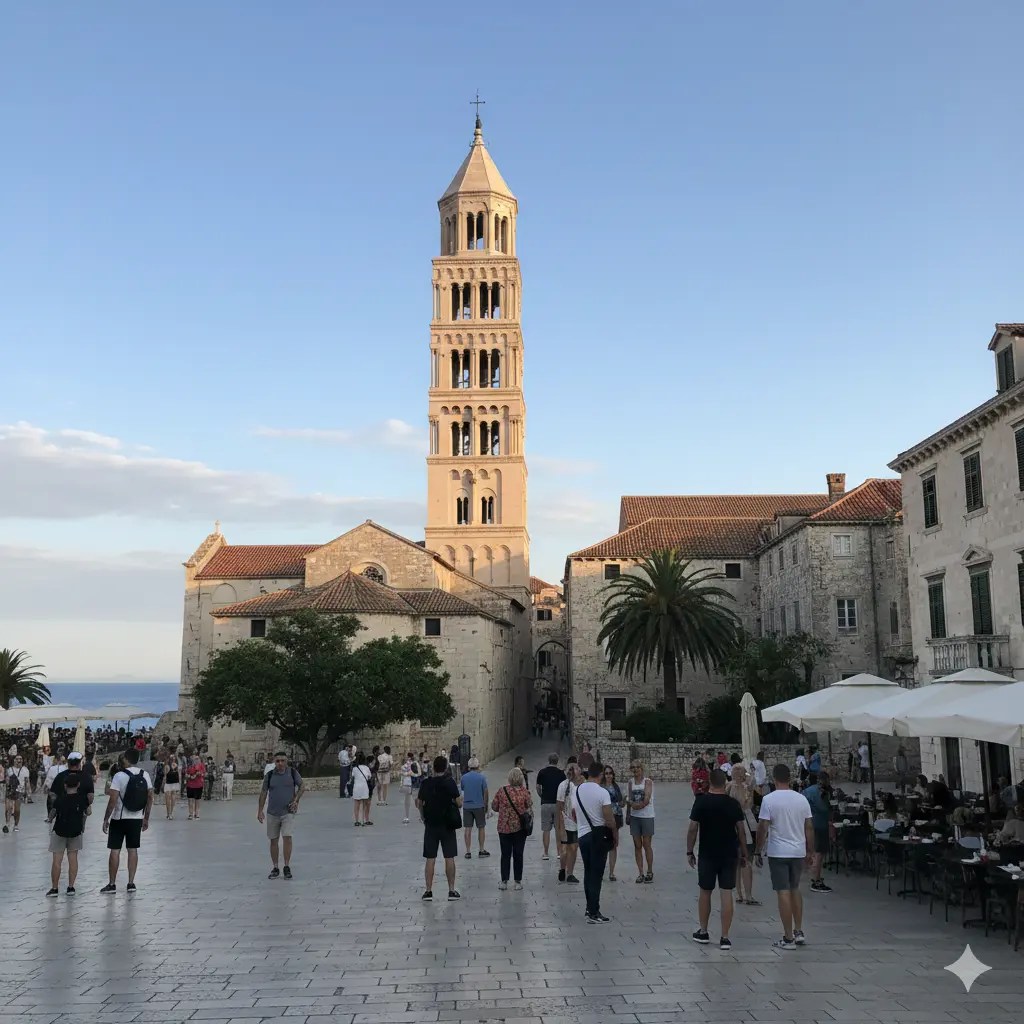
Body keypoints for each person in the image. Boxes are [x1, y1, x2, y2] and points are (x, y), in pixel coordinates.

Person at [755, 764, 814, 949]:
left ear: (774, 778)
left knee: (783, 892)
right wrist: (810, 851)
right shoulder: (801, 799)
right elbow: (809, 827)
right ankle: (798, 930)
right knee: (795, 888)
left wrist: (758, 849)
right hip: (798, 851)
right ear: (790, 778)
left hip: (778, 852)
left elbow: (763, 827)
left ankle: (787, 937)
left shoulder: (769, 800)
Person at [688, 768, 747, 949]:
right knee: (726, 893)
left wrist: (689, 851)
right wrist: (744, 852)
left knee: (705, 892)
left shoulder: (701, 802)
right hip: (729, 853)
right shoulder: (733, 804)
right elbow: (741, 830)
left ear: (709, 782)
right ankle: (725, 937)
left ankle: (704, 931)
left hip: (707, 853)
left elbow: (692, 828)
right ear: (725, 782)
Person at [100, 748, 153, 894]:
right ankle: (131, 883)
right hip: (136, 818)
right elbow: (150, 797)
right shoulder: (145, 775)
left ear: (126, 759)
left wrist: (106, 818)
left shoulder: (119, 776)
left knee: (115, 850)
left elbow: (113, 799)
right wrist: (146, 818)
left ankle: (112, 884)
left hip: (119, 817)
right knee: (133, 850)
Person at [574, 761, 617, 923]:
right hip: (598, 836)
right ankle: (594, 912)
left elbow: (573, 813)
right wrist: (614, 835)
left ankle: (588, 908)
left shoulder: (578, 790)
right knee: (597, 874)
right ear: (600, 775)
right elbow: (609, 818)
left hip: (583, 835)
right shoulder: (602, 793)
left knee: (588, 871)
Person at [416, 755, 462, 901]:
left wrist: (423, 816)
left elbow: (419, 802)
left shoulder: (426, 783)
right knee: (449, 856)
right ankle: (451, 890)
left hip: (431, 824)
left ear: (433, 767)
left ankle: (428, 891)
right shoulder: (450, 783)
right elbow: (459, 803)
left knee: (430, 858)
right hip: (447, 824)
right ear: (446, 767)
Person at [45, 757, 91, 897]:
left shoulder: (60, 799)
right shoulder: (82, 799)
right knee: (73, 859)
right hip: (76, 831)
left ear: (65, 786)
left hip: (60, 831)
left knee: (57, 860)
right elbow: (87, 812)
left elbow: (53, 812)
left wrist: (50, 819)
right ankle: (71, 887)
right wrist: (83, 825)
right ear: (78, 785)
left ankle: (54, 888)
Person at [257, 751, 304, 879]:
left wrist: (296, 800)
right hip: (272, 812)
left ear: (286, 761)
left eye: (282, 760)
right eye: (277, 761)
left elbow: (302, 786)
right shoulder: (270, 775)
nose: (280, 763)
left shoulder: (293, 773)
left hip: (288, 812)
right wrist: (260, 810)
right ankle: (275, 866)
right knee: (273, 840)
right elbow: (263, 792)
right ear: (274, 762)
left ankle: (287, 866)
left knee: (287, 837)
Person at [492, 766, 533, 890]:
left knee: (505, 854)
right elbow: (529, 806)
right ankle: (517, 881)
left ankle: (504, 881)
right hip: (520, 828)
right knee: (518, 854)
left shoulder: (502, 791)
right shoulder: (524, 792)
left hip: (504, 827)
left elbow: (494, 806)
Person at [726, 764, 760, 906]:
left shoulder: (728, 787)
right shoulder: (747, 788)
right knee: (747, 860)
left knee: (736, 862)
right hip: (747, 824)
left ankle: (739, 894)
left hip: (730, 824)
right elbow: (750, 804)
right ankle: (749, 895)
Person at [802, 771, 834, 894]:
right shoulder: (820, 792)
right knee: (819, 854)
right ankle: (816, 881)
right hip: (819, 824)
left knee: (814, 851)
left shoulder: (807, 791)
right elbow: (823, 808)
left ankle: (815, 876)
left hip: (809, 824)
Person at [627, 760, 655, 883]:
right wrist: (628, 813)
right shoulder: (630, 782)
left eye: (638, 767)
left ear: (642, 768)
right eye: (633, 767)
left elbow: (647, 798)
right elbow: (629, 797)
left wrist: (636, 806)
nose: (636, 769)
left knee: (646, 844)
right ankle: (640, 872)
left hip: (647, 816)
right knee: (637, 845)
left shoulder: (647, 782)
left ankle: (649, 870)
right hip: (635, 817)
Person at [535, 753, 566, 862]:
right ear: (557, 761)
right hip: (557, 803)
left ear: (549, 760)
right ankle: (559, 852)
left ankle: (546, 853)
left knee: (546, 829)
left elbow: (538, 787)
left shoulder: (542, 772)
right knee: (558, 829)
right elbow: (564, 789)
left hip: (545, 803)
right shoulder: (561, 774)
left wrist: (542, 796)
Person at [460, 756, 490, 858]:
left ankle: (468, 851)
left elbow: (463, 790)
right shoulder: (481, 778)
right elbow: (485, 792)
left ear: (469, 767)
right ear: (477, 766)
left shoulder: (464, 778)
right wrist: (486, 805)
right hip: (479, 805)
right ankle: (481, 850)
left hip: (467, 806)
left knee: (468, 828)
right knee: (481, 827)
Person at [556, 763, 581, 884]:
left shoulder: (581, 785)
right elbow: (559, 807)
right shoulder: (563, 785)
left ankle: (570, 873)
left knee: (573, 847)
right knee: (567, 848)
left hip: (576, 823)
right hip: (566, 822)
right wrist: (560, 826)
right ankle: (563, 869)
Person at [602, 765, 625, 881]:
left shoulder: (617, 787)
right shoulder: (600, 787)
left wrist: (624, 802)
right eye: (606, 773)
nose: (608, 775)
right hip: (604, 819)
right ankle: (601, 870)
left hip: (615, 817)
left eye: (610, 773)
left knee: (614, 845)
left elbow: (621, 803)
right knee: (603, 846)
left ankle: (611, 872)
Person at [4, 755, 30, 833]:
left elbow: (27, 782)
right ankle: (7, 823)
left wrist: (28, 794)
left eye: (20, 759)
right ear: (14, 760)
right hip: (10, 791)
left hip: (20, 791)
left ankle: (16, 825)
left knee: (17, 810)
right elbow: (7, 781)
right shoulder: (10, 769)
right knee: (8, 808)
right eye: (17, 759)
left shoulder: (25, 770)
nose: (19, 760)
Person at [42, 752, 68, 817]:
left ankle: (49, 816)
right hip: (63, 790)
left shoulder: (52, 768)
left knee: (50, 803)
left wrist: (45, 787)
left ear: (56, 760)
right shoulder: (66, 768)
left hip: (53, 789)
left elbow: (48, 780)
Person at [350, 753, 373, 826]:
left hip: (357, 787)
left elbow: (352, 777)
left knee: (357, 804)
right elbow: (369, 777)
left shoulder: (354, 769)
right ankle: (364, 820)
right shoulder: (366, 768)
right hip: (364, 787)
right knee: (365, 804)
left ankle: (357, 820)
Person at [184, 754, 205, 820]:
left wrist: (200, 774)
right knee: (190, 800)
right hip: (190, 785)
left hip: (199, 785)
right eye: (195, 759)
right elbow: (186, 774)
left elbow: (204, 773)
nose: (196, 760)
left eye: (197, 758)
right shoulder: (189, 766)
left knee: (197, 800)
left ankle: (197, 813)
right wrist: (190, 776)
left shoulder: (201, 765)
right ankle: (190, 814)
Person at [164, 754, 180, 819]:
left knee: (167, 798)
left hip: (168, 783)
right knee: (173, 797)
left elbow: (165, 775)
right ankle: (171, 813)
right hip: (175, 783)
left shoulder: (167, 766)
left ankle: (168, 813)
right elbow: (179, 775)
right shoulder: (177, 766)